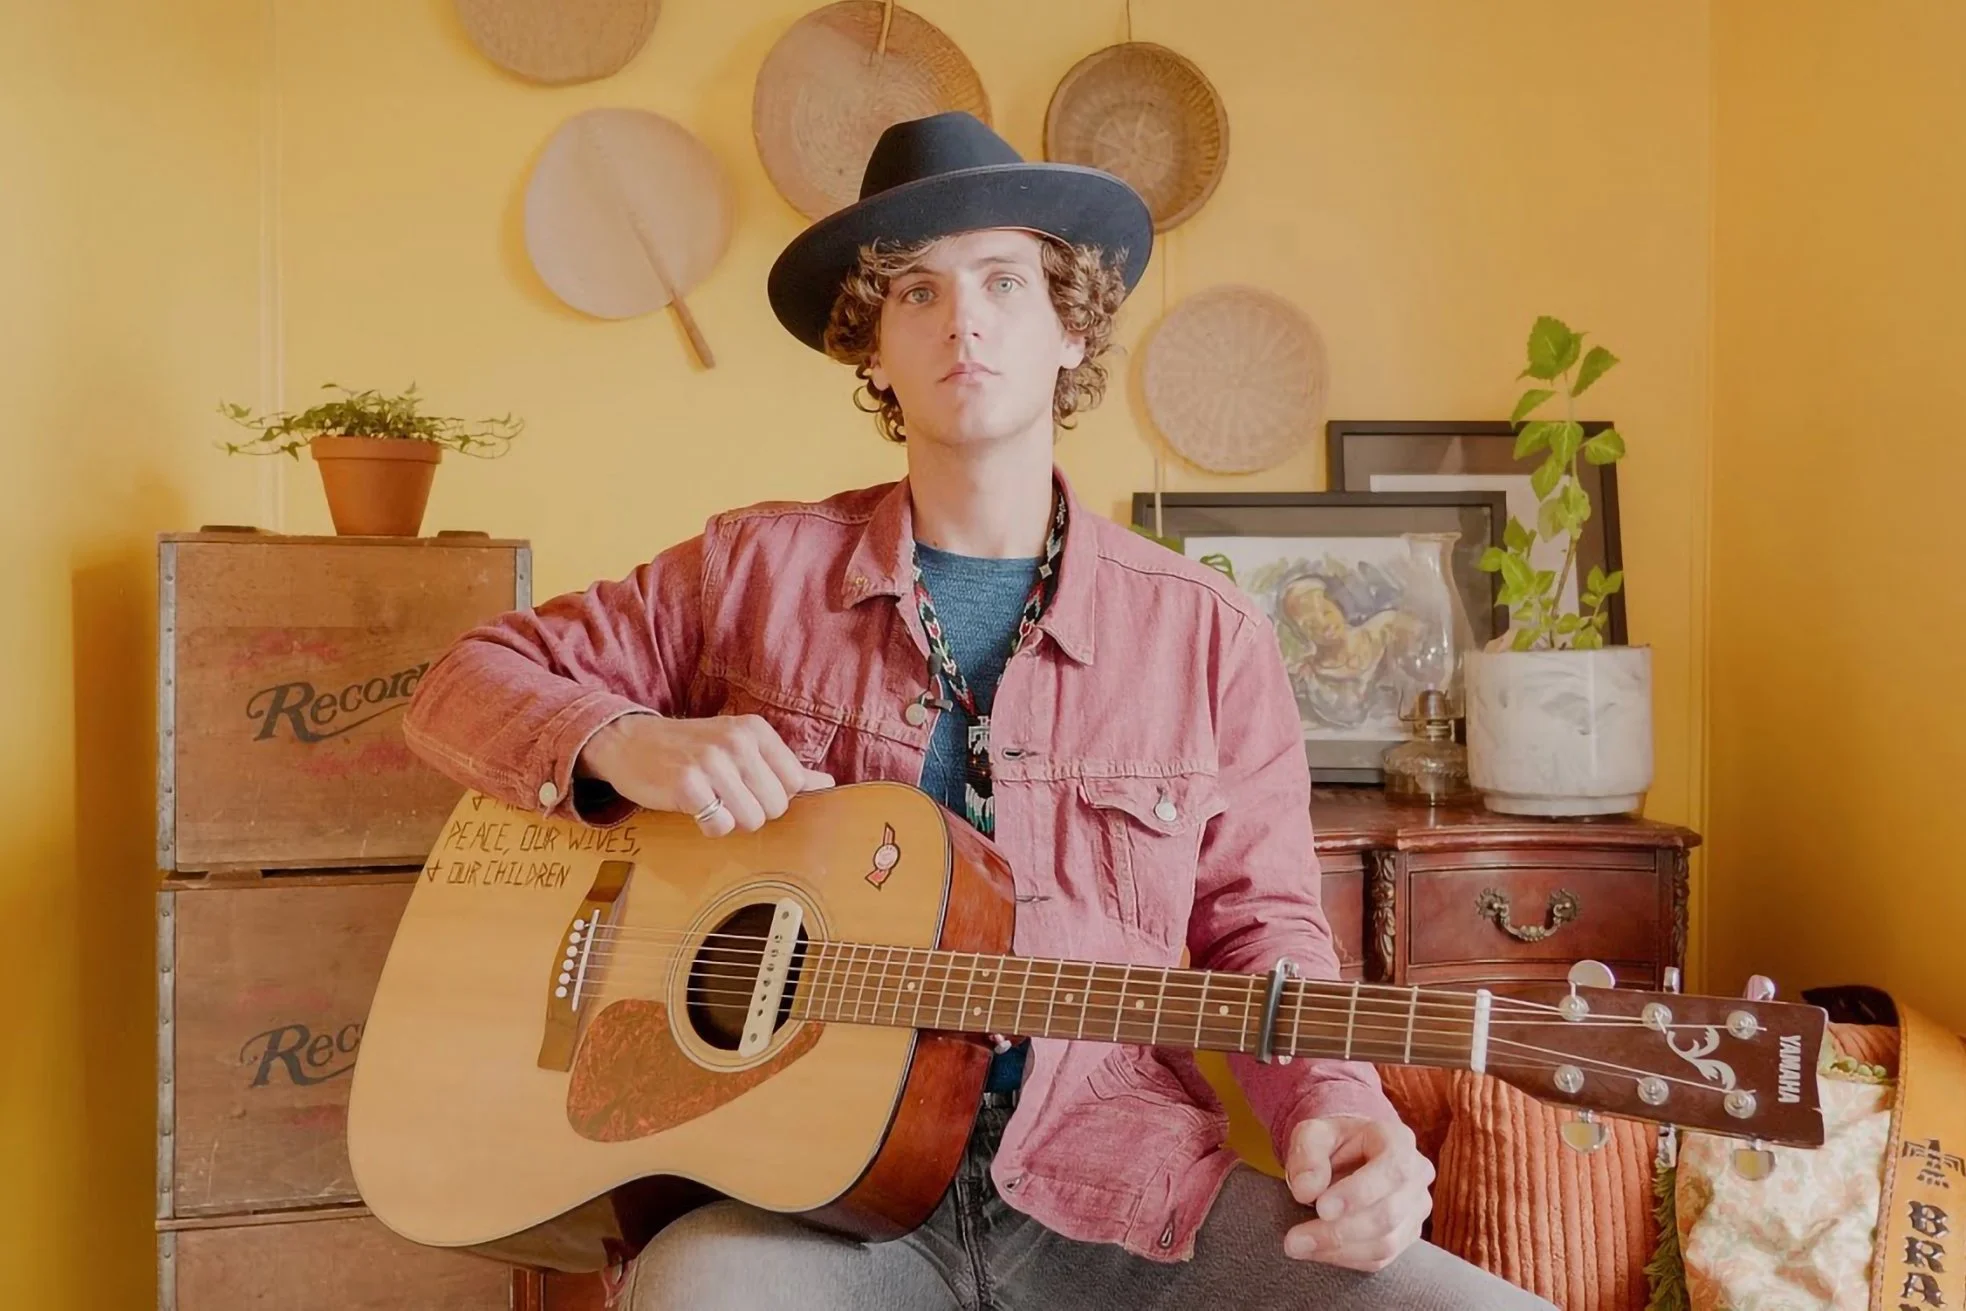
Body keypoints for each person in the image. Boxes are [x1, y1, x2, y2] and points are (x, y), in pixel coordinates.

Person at [402, 112, 1553, 1311]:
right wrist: (626, 743)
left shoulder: (1209, 634)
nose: (963, 321)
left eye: (1004, 281)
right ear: (873, 350)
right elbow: (460, 685)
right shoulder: (750, 572)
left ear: (1070, 329)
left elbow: (1263, 930)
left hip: (1115, 1184)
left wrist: (1338, 1107)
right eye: (916, 291)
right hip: (799, 1190)